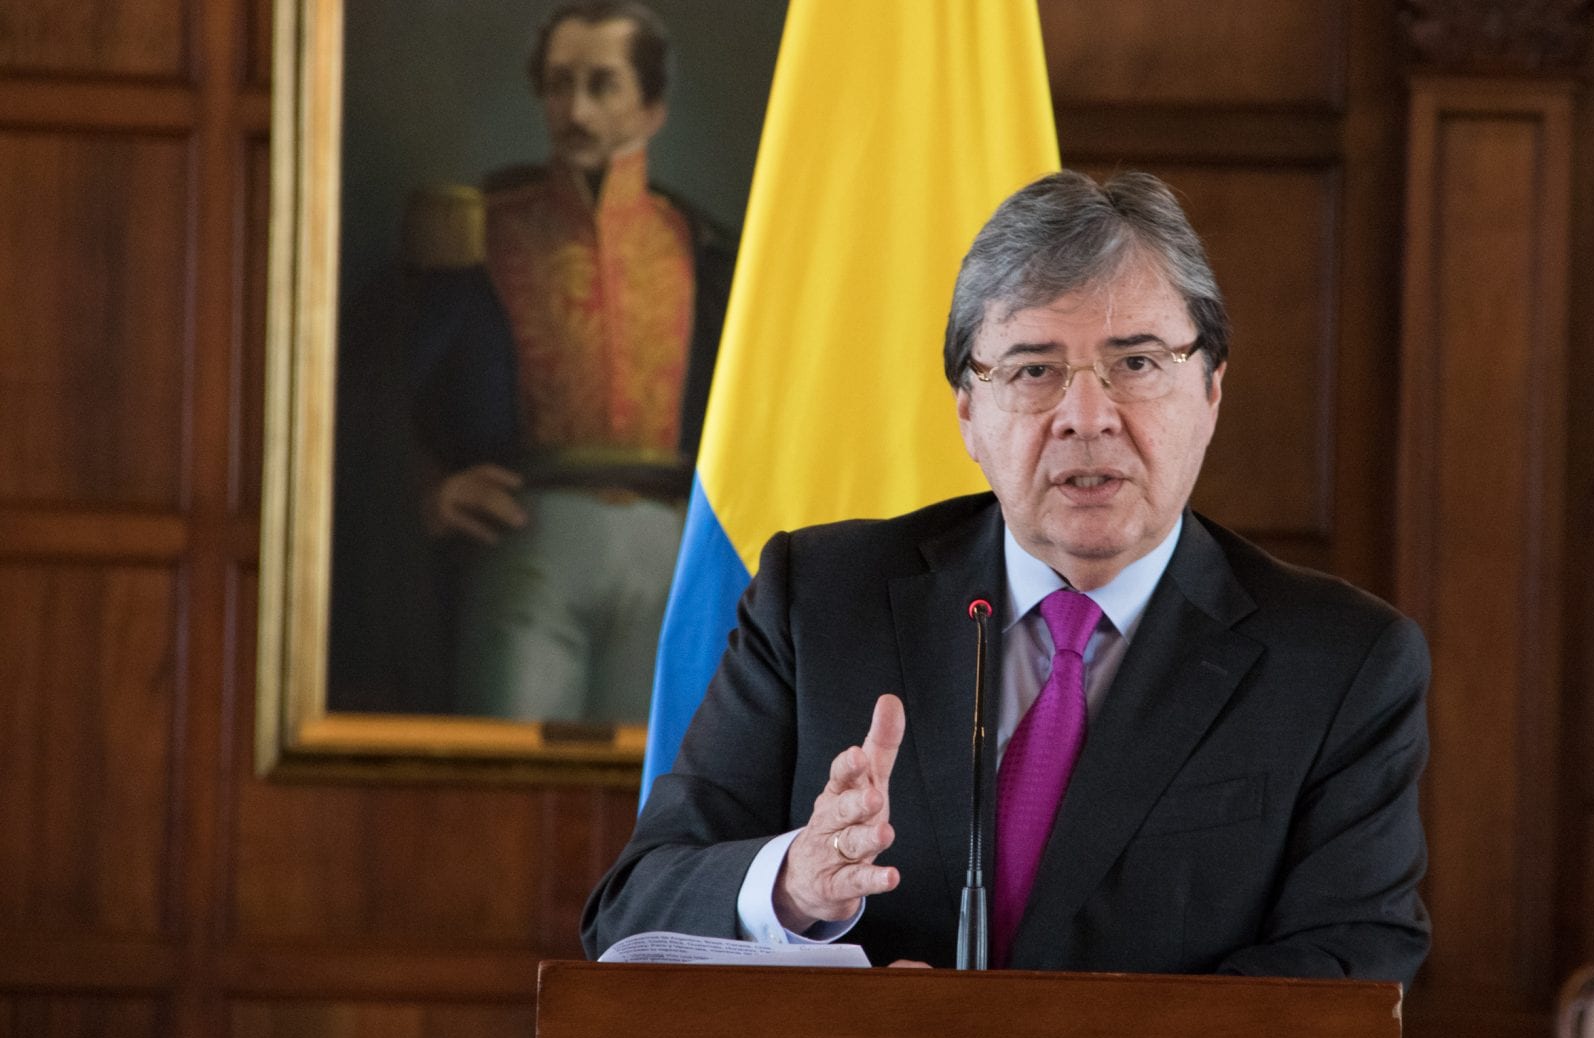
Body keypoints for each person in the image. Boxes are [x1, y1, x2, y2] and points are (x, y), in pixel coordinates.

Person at [581, 171, 1430, 980]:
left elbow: (1352, 962)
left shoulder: (1341, 665)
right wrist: (793, 885)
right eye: (1033, 371)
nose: (1087, 419)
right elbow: (631, 914)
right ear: (967, 413)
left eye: (1137, 363)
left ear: (1211, 392)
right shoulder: (821, 601)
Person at [406, 1, 734, 721]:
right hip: (530, 542)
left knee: (660, 774)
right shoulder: (477, 230)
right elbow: (392, 394)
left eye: (601, 85)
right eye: (559, 85)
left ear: (652, 109)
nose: (576, 110)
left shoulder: (703, 248)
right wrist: (432, 489)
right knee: (508, 764)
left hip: (667, 551)